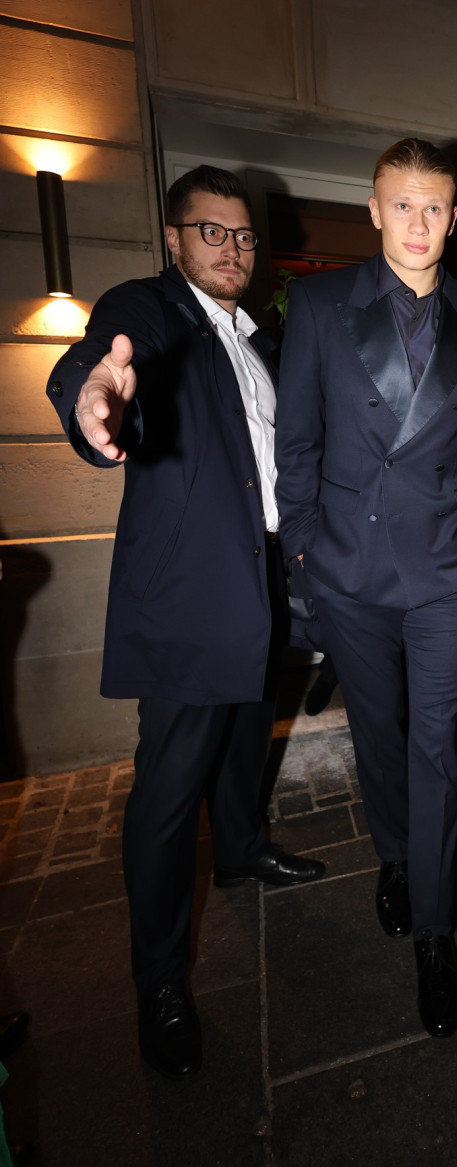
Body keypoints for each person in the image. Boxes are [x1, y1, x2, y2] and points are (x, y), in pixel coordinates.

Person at [45, 165, 324, 1081]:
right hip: (191, 600)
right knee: (166, 801)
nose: (233, 249)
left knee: (249, 732)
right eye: (213, 232)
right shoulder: (154, 311)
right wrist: (93, 398)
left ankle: (241, 849)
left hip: (264, 586)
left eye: (244, 236)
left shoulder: (263, 337)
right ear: (174, 238)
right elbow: (104, 353)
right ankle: (159, 983)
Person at [275, 138, 457, 1038]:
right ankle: (397, 858)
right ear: (374, 210)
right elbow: (296, 440)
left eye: (436, 207)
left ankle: (439, 934)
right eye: (401, 204)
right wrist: (304, 552)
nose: (418, 223)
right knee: (377, 735)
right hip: (350, 572)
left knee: (438, 744)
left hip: (448, 573)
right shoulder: (324, 302)